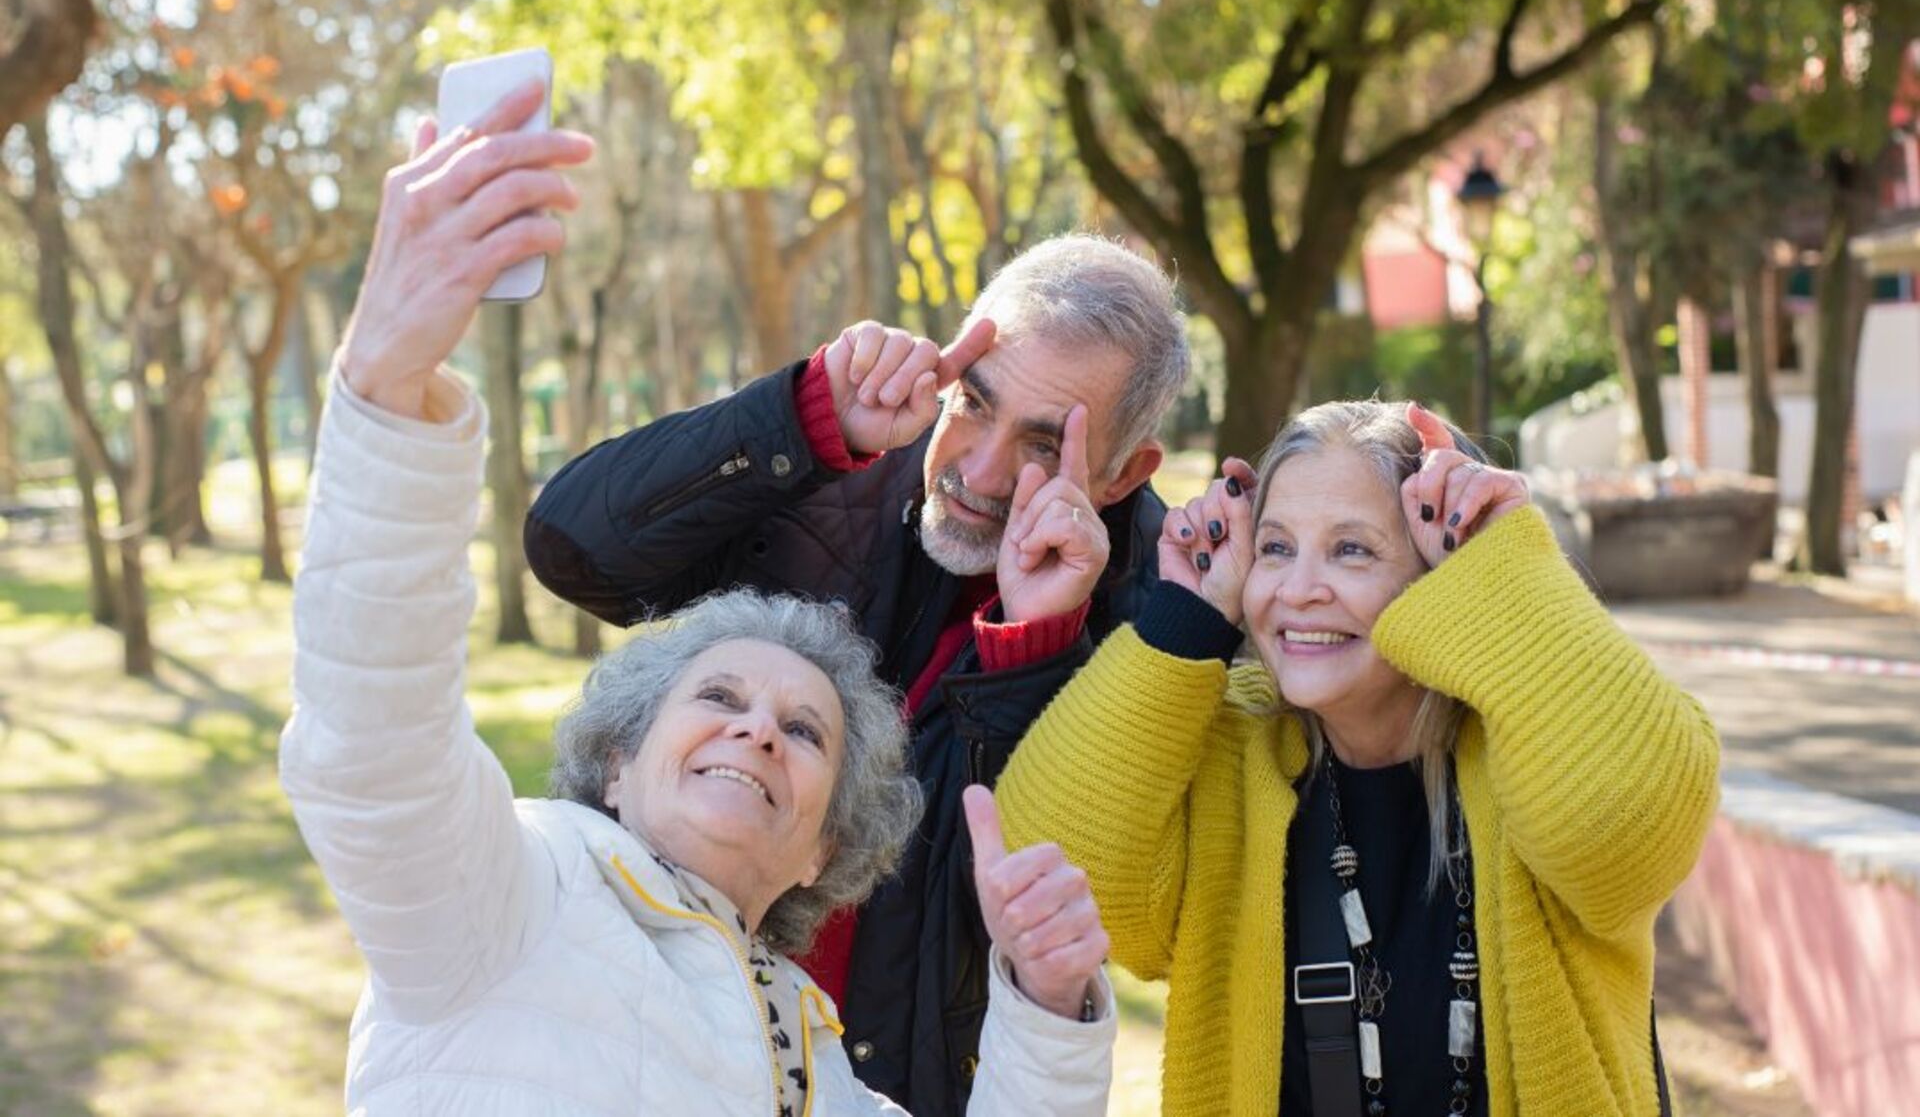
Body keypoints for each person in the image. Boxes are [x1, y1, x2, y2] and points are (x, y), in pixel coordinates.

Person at [280, 86, 1117, 1115]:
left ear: (825, 848)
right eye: (719, 696)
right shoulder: (508, 901)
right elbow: (370, 744)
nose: (760, 729)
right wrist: (385, 379)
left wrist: (1044, 1003)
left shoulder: (816, 1068)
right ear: (618, 764)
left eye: (806, 731)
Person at [524, 229, 1188, 1109]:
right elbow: (572, 549)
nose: (979, 471)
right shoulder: (834, 463)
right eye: (975, 402)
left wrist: (1035, 641)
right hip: (672, 1052)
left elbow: (1003, 896)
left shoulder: (1154, 615)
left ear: (1123, 473)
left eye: (1040, 444)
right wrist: (801, 415)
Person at [994, 399, 1722, 1115]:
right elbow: (1051, 859)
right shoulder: (1231, 751)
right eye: (1275, 547)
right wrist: (1185, 620)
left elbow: (1628, 826)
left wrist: (1507, 566)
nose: (1299, 590)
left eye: (1351, 548)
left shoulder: (1534, 744)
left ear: (1441, 572)